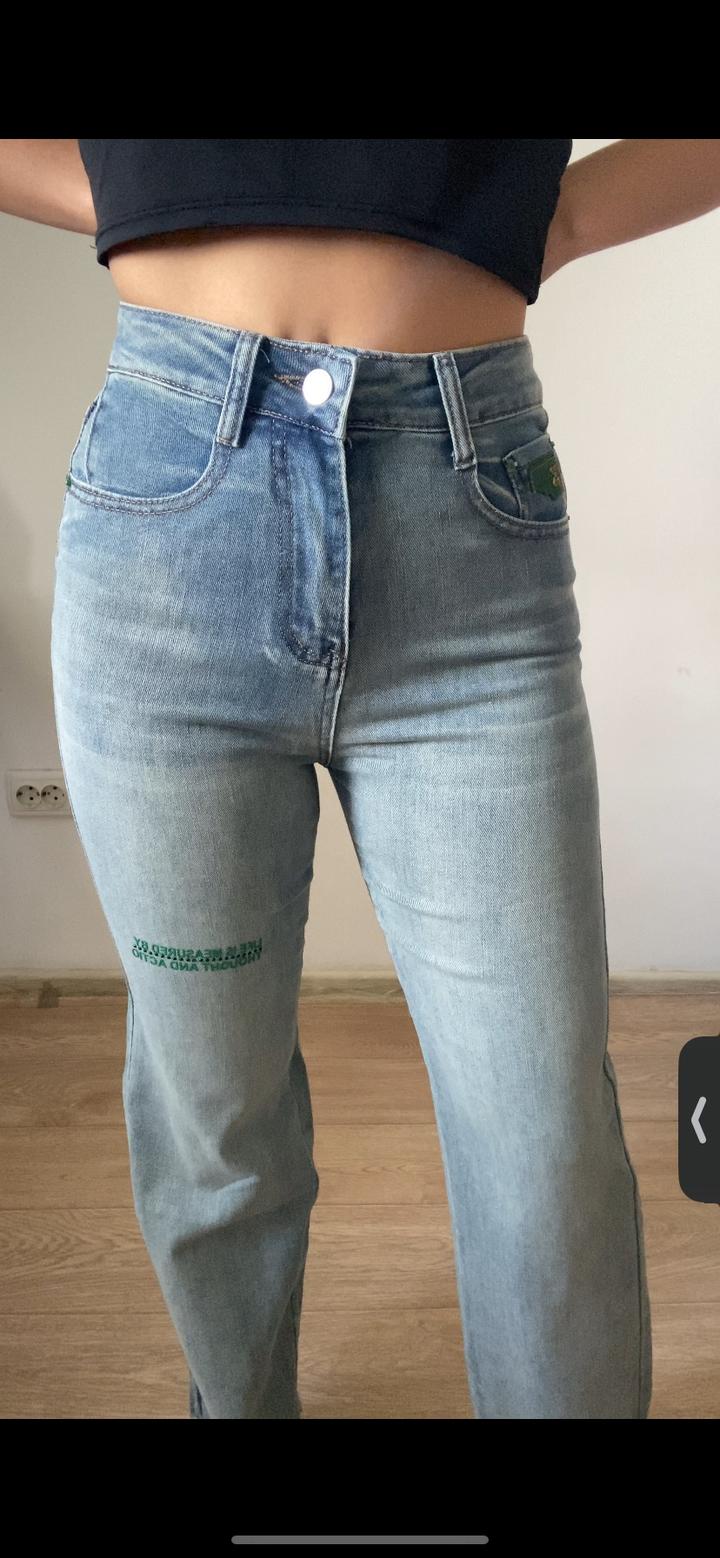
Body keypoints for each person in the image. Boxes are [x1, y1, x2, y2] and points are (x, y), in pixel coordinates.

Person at [3, 137, 718, 1421]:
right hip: (171, 522)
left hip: (470, 519)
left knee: (544, 1132)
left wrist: (547, 220)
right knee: (214, 1117)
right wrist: (143, 191)